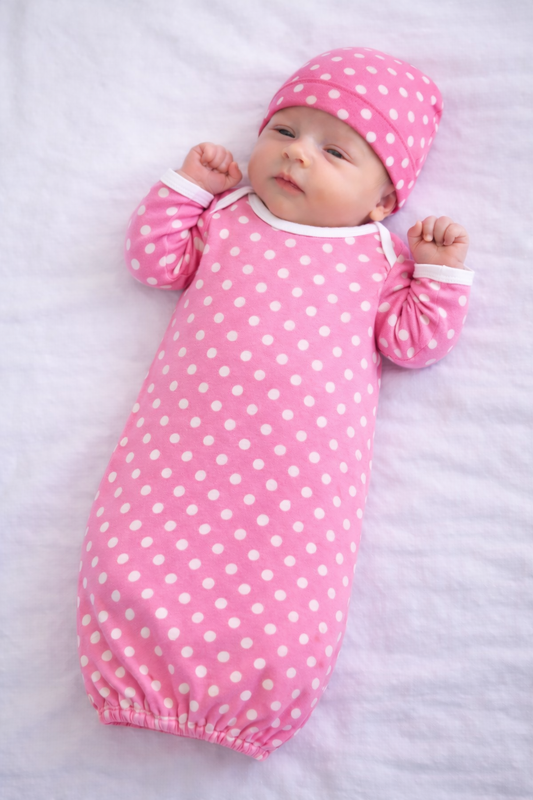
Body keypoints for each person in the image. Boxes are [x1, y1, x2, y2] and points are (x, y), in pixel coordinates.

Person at [77, 46, 473, 761]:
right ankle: (131, 668)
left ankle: (257, 692)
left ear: (382, 201)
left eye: (334, 152)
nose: (296, 157)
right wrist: (188, 187)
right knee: (136, 548)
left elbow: (413, 343)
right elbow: (153, 261)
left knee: (288, 593)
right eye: (284, 132)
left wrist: (439, 275)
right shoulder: (227, 220)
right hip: (179, 453)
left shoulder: (379, 260)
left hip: (295, 483)